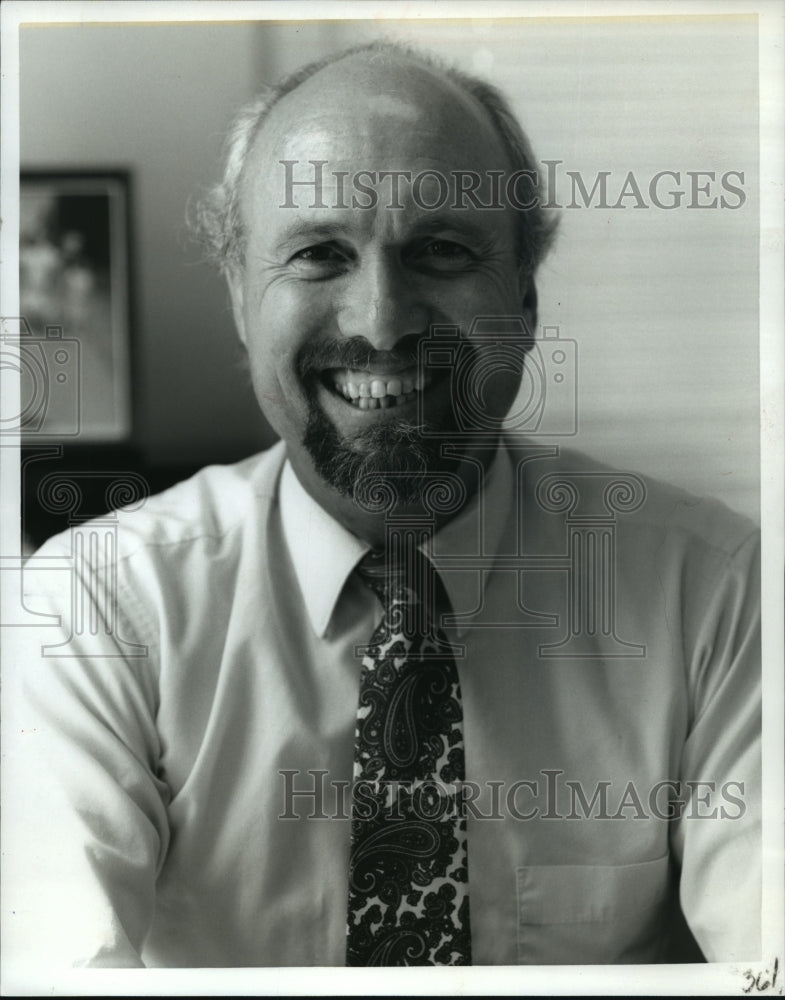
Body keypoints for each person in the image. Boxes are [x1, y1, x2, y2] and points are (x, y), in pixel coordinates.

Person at [7, 40, 760, 970]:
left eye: (441, 252)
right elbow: (54, 969)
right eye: (319, 253)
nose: (380, 322)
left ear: (523, 300)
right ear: (241, 297)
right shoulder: (95, 605)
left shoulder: (717, 594)